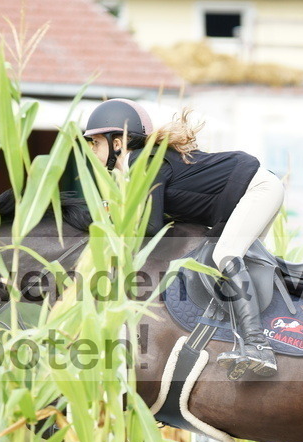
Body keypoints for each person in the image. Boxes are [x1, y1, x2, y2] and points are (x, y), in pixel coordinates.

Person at [83, 99, 284, 376]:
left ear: (117, 143)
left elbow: (151, 228)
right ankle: (246, 338)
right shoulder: (139, 166)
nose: (91, 150)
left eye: (95, 143)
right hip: (248, 192)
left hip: (256, 188)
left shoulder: (142, 160)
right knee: (229, 261)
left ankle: (257, 346)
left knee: (226, 255)